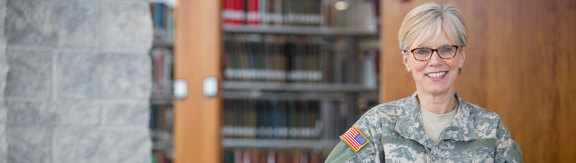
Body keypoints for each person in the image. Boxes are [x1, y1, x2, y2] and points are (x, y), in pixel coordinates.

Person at [325, 3, 523, 162]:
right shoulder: (378, 124)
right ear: (406, 60)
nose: (435, 61)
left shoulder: (491, 130)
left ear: (461, 55)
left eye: (446, 49)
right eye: (422, 51)